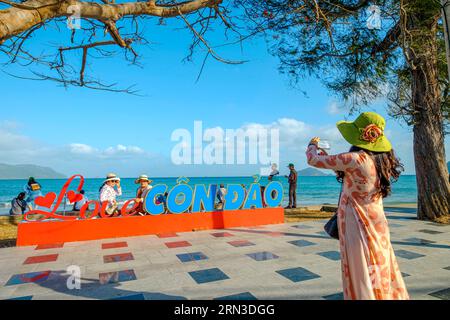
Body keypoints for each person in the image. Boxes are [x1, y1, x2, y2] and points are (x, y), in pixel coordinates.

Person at [306, 111, 409, 300]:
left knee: (359, 267)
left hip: (356, 222)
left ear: (359, 136)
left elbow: (312, 160)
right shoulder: (383, 160)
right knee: (379, 264)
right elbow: (353, 174)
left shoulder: (356, 159)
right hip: (377, 222)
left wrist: (312, 144)